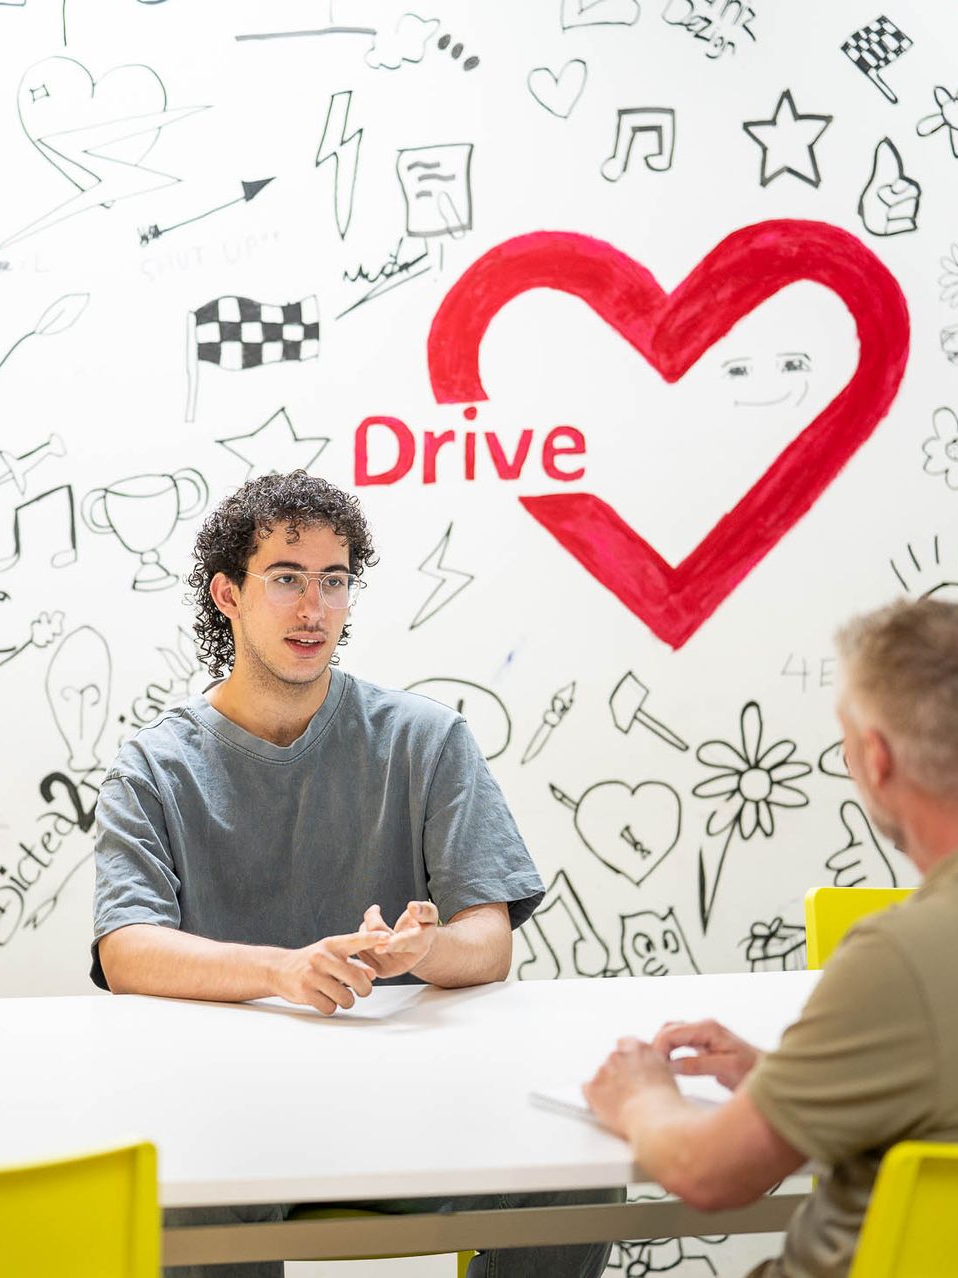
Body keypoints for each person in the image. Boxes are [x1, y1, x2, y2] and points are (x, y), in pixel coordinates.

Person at [91, 470, 611, 1278]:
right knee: (172, 1206)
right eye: (286, 579)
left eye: (333, 581)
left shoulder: (427, 739)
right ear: (228, 595)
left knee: (577, 1174)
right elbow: (127, 949)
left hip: (412, 1106)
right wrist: (282, 970)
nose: (314, 608)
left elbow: (488, 940)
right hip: (228, 1116)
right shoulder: (153, 766)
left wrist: (425, 952)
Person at [581, 598, 958, 1278]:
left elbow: (707, 1173)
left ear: (875, 757)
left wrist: (641, 1095)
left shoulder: (899, 959)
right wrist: (791, 1083)